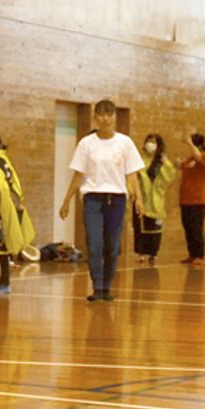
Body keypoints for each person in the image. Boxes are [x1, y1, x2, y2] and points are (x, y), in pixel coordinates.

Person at [58, 99, 145, 301]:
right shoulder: (86, 144)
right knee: (95, 244)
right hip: (93, 200)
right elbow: (78, 174)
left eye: (110, 114)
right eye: (101, 114)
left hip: (117, 200)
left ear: (115, 117)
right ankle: (97, 287)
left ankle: (107, 286)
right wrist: (66, 201)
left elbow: (132, 174)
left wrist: (138, 199)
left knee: (112, 246)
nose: (105, 118)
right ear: (95, 117)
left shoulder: (125, 143)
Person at [0, 127, 37, 292]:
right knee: (1, 250)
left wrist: (3, 213)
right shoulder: (5, 162)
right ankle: (2, 285)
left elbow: (0, 190)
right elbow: (16, 187)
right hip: (7, 211)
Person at [133, 134, 175, 265]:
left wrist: (165, 162)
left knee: (155, 228)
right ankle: (141, 253)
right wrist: (132, 192)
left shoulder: (162, 162)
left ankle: (153, 253)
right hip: (141, 198)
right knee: (139, 227)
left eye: (153, 142)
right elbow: (133, 177)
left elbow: (169, 177)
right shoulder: (139, 160)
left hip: (156, 200)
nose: (150, 144)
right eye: (148, 141)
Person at [178, 132, 205, 267]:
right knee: (188, 227)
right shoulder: (190, 159)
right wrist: (177, 163)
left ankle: (199, 255)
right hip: (185, 200)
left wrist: (189, 142)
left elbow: (198, 157)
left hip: (198, 200)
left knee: (196, 228)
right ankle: (192, 253)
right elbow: (183, 166)